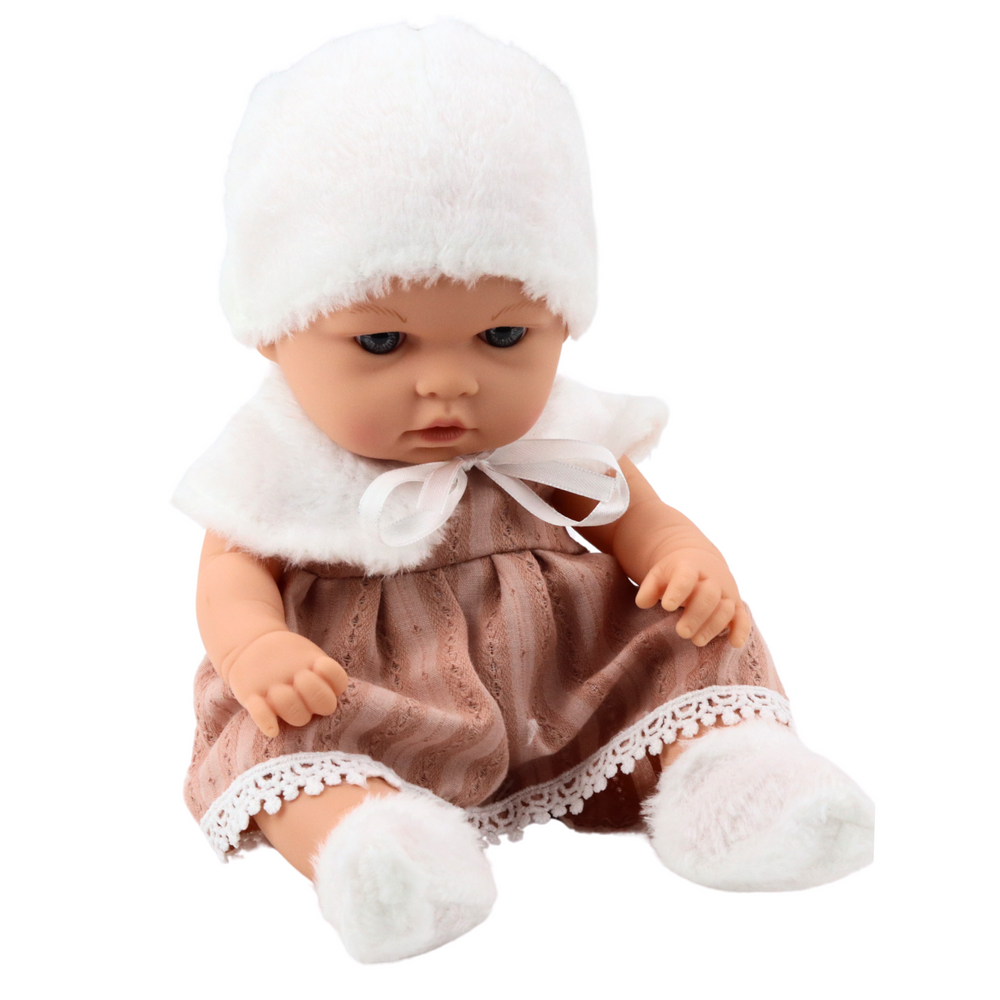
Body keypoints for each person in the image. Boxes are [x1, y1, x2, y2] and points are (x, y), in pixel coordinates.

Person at [175, 21, 874, 964]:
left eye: (503, 337)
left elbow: (633, 511)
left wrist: (679, 553)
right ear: (276, 329)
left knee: (692, 637)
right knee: (284, 739)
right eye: (382, 342)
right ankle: (373, 849)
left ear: (560, 320)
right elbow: (232, 573)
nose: (450, 382)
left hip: (562, 673)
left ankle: (730, 782)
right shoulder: (281, 455)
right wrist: (256, 646)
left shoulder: (555, 435)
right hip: (364, 684)